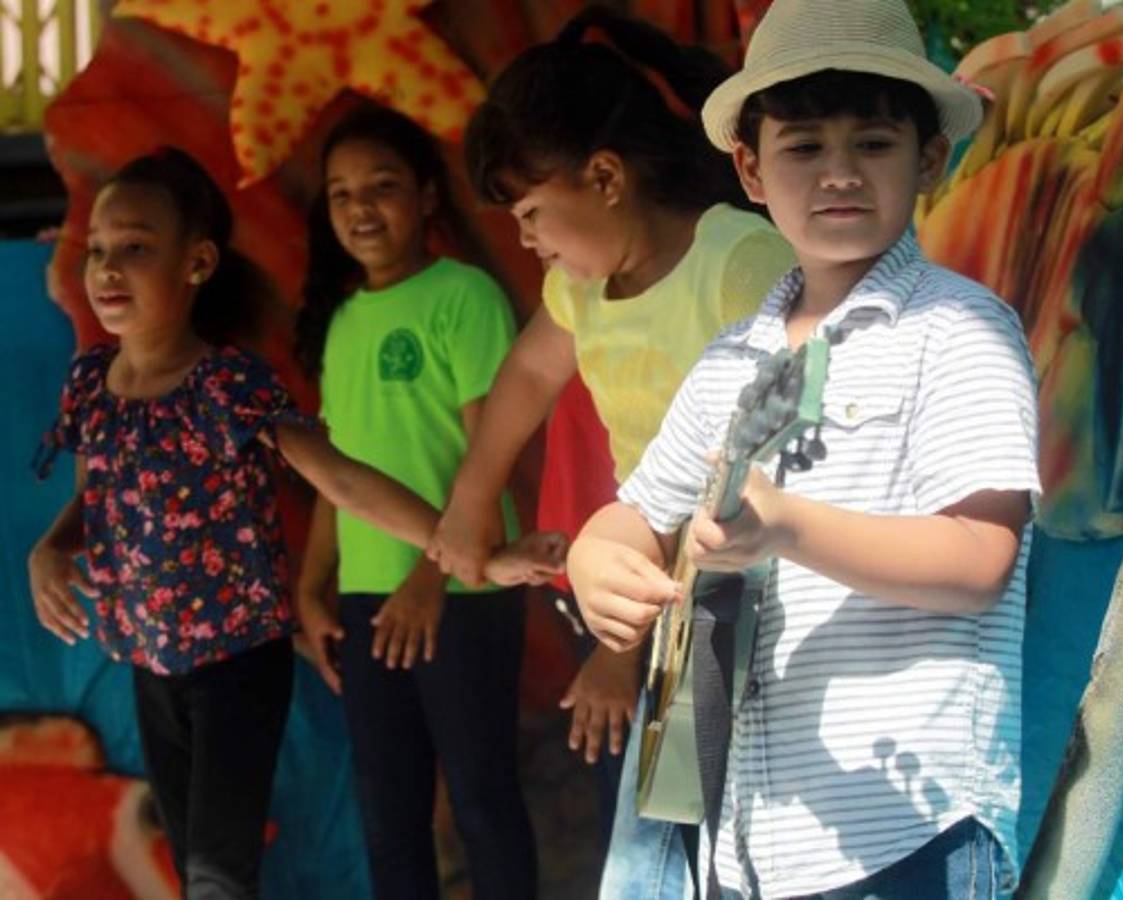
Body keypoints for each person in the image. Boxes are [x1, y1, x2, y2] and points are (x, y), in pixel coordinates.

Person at [567, 1, 1041, 897]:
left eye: (871, 144)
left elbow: (982, 558)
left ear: (928, 158)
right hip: (746, 839)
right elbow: (637, 511)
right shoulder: (728, 360)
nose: (838, 175)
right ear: (748, 168)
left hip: (910, 832)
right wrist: (598, 555)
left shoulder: (960, 328)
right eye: (802, 147)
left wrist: (786, 527)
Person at [25, 147, 556, 898]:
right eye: (99, 251)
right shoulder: (92, 384)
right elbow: (99, 498)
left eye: (136, 248)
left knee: (219, 873)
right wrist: (47, 550)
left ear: (197, 262)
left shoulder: (225, 385)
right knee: (198, 865)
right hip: (150, 662)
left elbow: (339, 476)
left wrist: (473, 556)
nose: (109, 268)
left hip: (237, 659)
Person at [424, 7, 796, 897]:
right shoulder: (580, 291)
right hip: (659, 598)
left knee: (659, 866)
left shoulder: (740, 262)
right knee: (660, 862)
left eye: (530, 212)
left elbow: (766, 467)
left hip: (742, 607)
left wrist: (623, 648)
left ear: (603, 176)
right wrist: (471, 500)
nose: (526, 240)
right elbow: (523, 380)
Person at [291, 104, 551, 900]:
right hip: (371, 596)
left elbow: (490, 453)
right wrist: (310, 589)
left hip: (464, 586)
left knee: (479, 800)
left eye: (383, 187)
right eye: (341, 195)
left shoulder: (462, 296)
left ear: (428, 196)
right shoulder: (339, 320)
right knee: (388, 813)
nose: (361, 209)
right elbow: (339, 475)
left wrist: (429, 577)